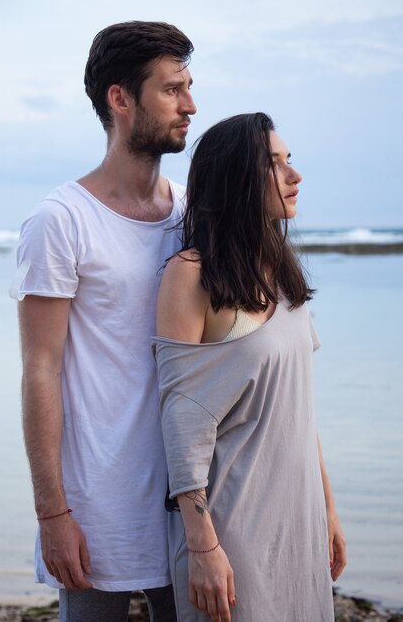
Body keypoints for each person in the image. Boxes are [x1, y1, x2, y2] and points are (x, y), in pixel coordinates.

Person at [11, 21, 196, 622]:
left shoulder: (195, 212)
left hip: (191, 499)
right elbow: (41, 369)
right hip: (97, 505)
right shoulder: (60, 220)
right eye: (171, 89)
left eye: (188, 87)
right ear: (121, 99)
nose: (190, 105)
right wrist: (52, 513)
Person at [153, 112, 347, 622]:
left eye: (290, 161)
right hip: (230, 528)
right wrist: (202, 547)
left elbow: (299, 409)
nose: (294, 176)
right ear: (235, 177)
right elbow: (181, 422)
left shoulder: (283, 271)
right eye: (273, 164)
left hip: (297, 516)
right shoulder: (191, 274)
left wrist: (326, 508)